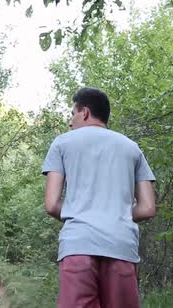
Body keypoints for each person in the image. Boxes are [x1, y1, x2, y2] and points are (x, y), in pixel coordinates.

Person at [42, 87, 156, 308]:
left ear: (84, 112)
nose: (70, 122)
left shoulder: (62, 143)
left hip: (78, 245)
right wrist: (115, 213)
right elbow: (147, 208)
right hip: (121, 246)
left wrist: (80, 212)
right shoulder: (132, 148)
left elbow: (51, 204)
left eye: (72, 113)